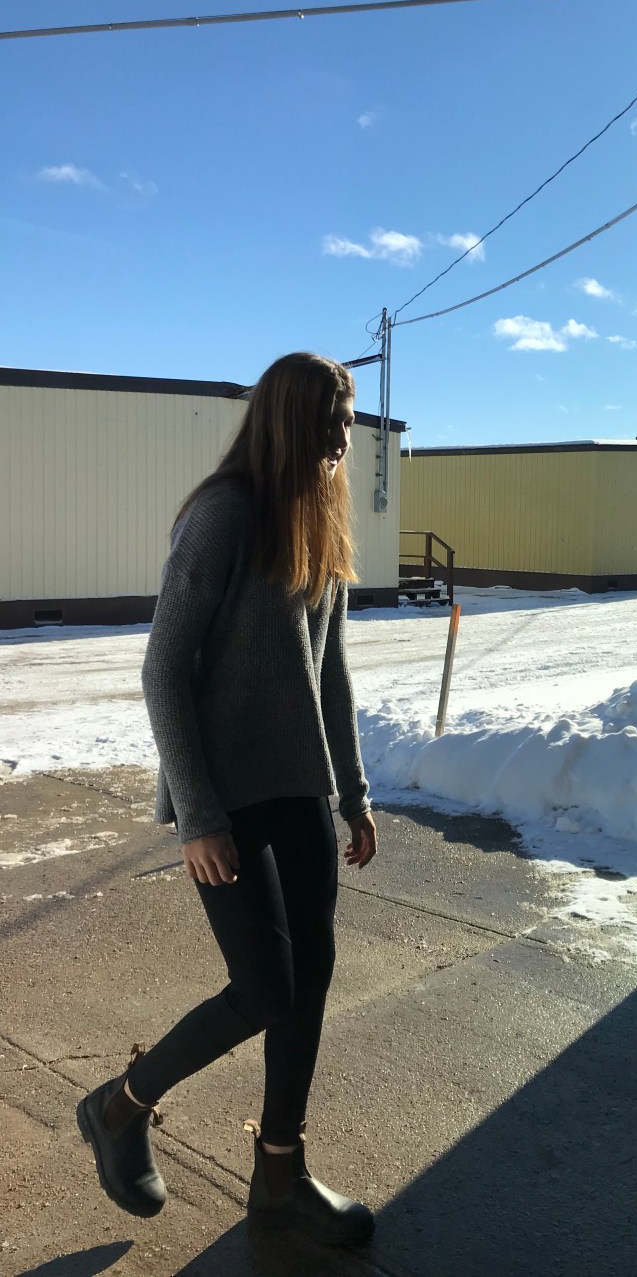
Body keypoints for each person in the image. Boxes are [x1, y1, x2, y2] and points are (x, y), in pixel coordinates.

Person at [76, 352, 378, 1249]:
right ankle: (120, 1106)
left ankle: (280, 1174)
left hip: (299, 786)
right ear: (290, 418)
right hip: (227, 797)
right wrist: (198, 817)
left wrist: (353, 793)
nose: (345, 433)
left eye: (350, 416)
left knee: (309, 980)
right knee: (263, 988)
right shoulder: (224, 514)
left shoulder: (317, 517)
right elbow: (163, 668)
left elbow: (331, 674)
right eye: (333, 416)